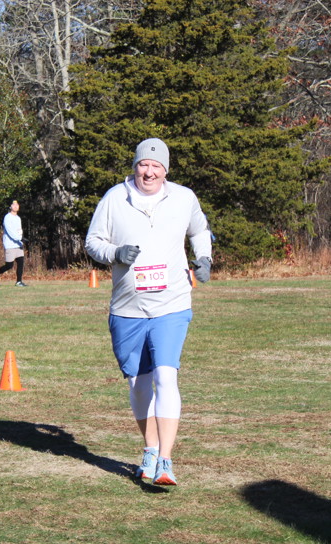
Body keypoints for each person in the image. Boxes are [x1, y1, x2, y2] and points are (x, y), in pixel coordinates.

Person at [85, 138, 212, 485]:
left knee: (165, 376)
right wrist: (115, 253)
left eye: (156, 166)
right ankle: (151, 449)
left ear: (165, 170)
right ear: (135, 167)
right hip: (128, 308)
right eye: (144, 164)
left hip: (172, 303)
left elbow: (200, 230)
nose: (149, 171)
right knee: (140, 385)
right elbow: (93, 241)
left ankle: (166, 461)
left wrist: (204, 258)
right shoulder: (115, 198)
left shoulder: (183, 198)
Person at [0, 200, 28, 287]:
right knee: (9, 265)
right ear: (10, 207)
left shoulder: (18, 218)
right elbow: (10, 231)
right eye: (13, 205)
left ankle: (19, 281)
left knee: (21, 262)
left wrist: (21, 238)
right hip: (10, 245)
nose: (15, 206)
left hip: (18, 244)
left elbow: (19, 230)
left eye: (17, 205)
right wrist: (20, 238)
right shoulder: (7, 217)